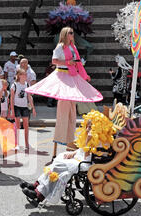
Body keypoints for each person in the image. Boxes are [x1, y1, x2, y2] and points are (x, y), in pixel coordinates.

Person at [25, 26, 103, 158]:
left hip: (72, 76)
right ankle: (60, 140)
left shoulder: (73, 47)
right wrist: (68, 62)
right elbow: (54, 61)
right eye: (70, 33)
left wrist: (82, 73)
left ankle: (70, 141)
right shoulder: (60, 47)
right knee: (63, 111)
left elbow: (76, 63)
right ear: (65, 34)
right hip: (62, 75)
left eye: (73, 33)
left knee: (72, 112)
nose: (73, 35)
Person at [21, 111, 115, 206]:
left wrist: (88, 141)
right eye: (87, 126)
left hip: (88, 163)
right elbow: (82, 150)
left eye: (90, 127)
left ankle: (39, 194)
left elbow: (87, 157)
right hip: (83, 159)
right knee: (59, 159)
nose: (87, 129)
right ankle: (37, 185)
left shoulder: (101, 141)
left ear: (97, 128)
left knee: (57, 167)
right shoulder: (96, 137)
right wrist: (74, 153)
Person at [9, 68, 36, 151]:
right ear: (19, 75)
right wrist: (12, 110)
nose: (25, 76)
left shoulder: (27, 84)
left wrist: (33, 108)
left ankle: (27, 143)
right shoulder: (14, 85)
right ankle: (16, 144)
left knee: (26, 125)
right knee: (17, 126)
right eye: (23, 74)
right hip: (17, 106)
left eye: (25, 74)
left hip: (24, 107)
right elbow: (11, 99)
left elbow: (29, 97)